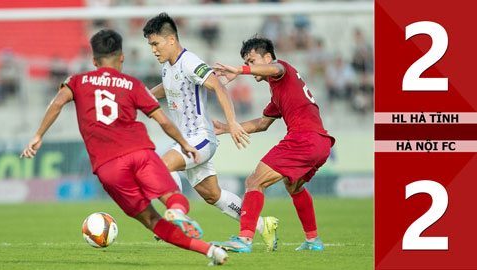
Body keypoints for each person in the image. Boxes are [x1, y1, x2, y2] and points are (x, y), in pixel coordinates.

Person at [20, 29, 228, 266]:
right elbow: (162, 120)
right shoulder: (132, 85)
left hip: (109, 167)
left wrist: (38, 135)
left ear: (93, 61)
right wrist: (183, 144)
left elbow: (56, 103)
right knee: (174, 199)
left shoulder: (77, 81)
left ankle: (210, 251)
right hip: (140, 154)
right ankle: (178, 213)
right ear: (121, 58)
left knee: (152, 221)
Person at [142, 13, 279, 252]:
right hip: (186, 141)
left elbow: (217, 85)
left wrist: (232, 122)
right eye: (150, 45)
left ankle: (175, 214)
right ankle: (263, 225)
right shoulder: (167, 65)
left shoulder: (189, 61)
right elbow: (169, 85)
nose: (153, 50)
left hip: (200, 138)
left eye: (156, 44)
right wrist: (145, 96)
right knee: (212, 195)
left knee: (161, 166)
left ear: (171, 39)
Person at [210, 37, 335, 252]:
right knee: (293, 186)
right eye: (247, 62)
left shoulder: (282, 69)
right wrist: (226, 127)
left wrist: (239, 70)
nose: (251, 66)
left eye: (252, 60)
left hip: (303, 139)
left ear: (267, 57)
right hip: (321, 143)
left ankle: (245, 239)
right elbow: (261, 124)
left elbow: (275, 68)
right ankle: (313, 241)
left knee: (253, 182)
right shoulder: (278, 92)